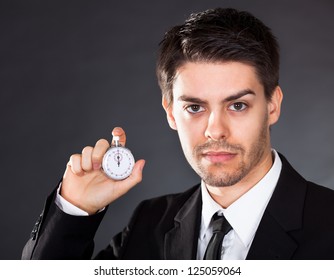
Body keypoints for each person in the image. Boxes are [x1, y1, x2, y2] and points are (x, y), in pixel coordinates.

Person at [22, 7, 334, 260]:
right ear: (171, 112)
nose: (215, 130)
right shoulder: (149, 223)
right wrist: (75, 210)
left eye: (237, 105)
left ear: (272, 106)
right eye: (195, 108)